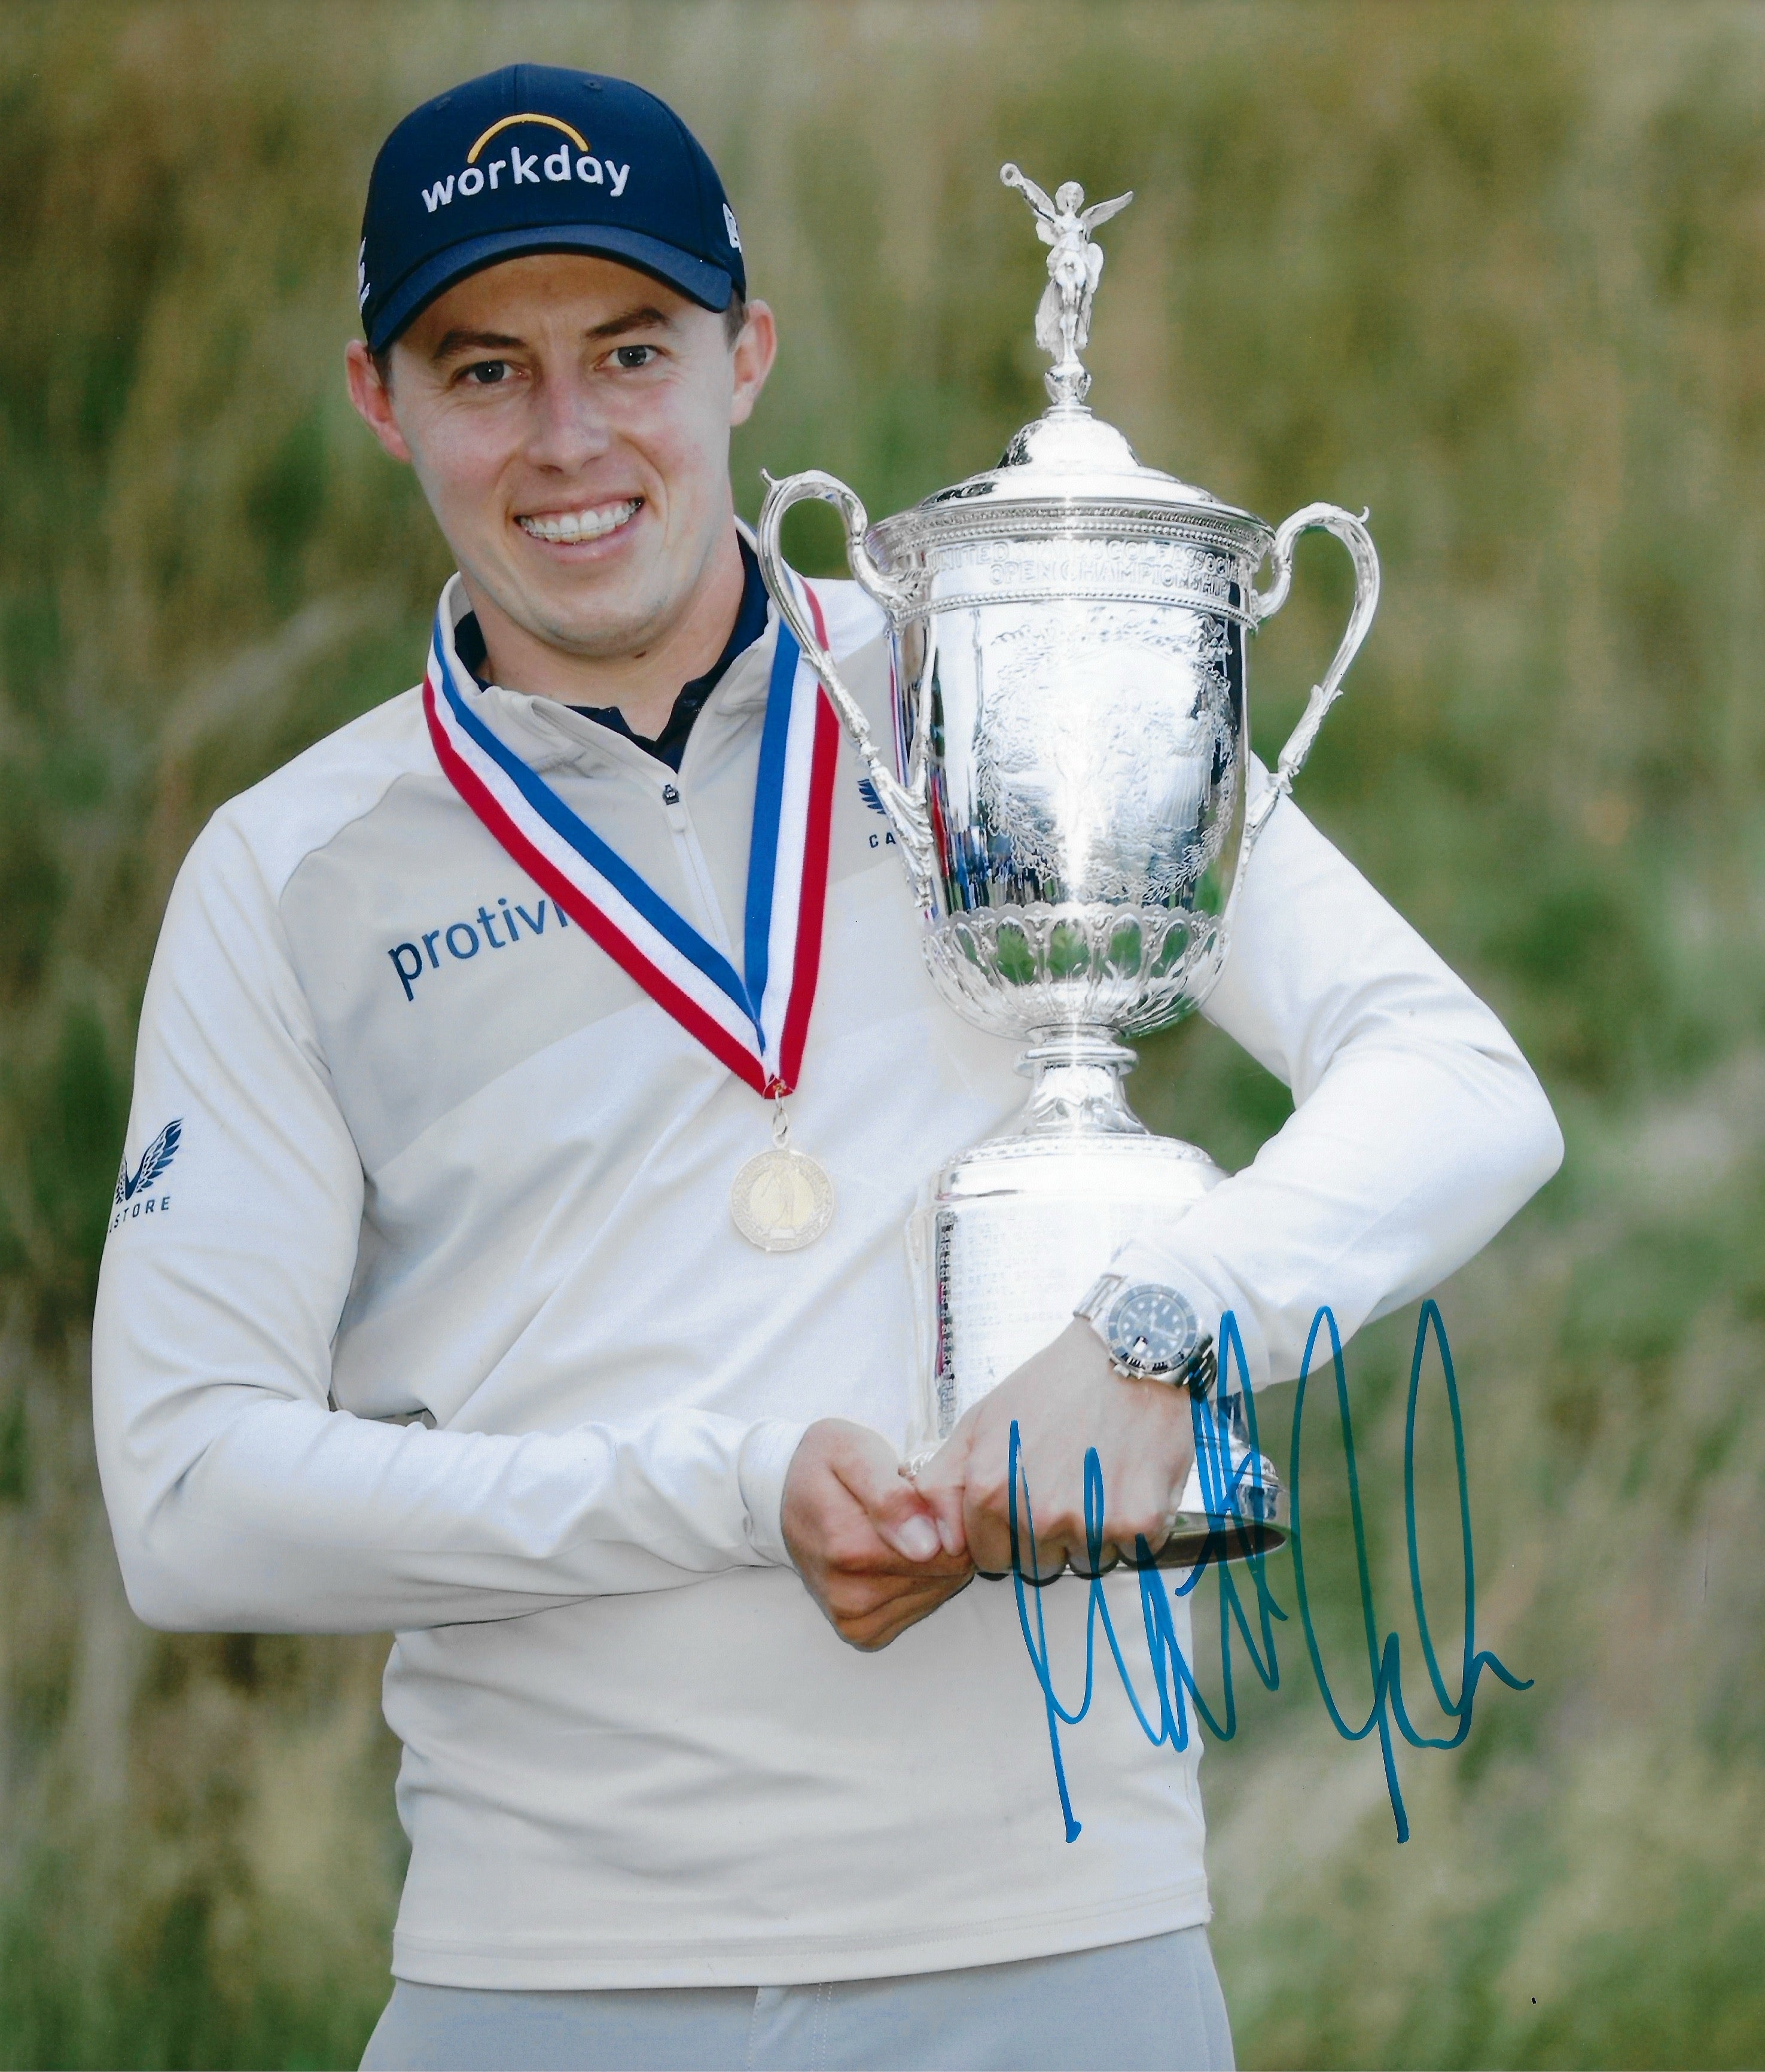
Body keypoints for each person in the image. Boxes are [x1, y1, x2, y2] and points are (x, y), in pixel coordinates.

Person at [90, 63, 1560, 2072]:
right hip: (544, 1984)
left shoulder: (1002, 673)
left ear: (745, 355)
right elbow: (189, 1499)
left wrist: (1161, 1329)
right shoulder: (293, 868)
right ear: (381, 400)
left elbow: (1460, 1083)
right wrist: (724, 1491)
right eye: (484, 370)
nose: (572, 437)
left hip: (1063, 1957)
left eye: (631, 352)